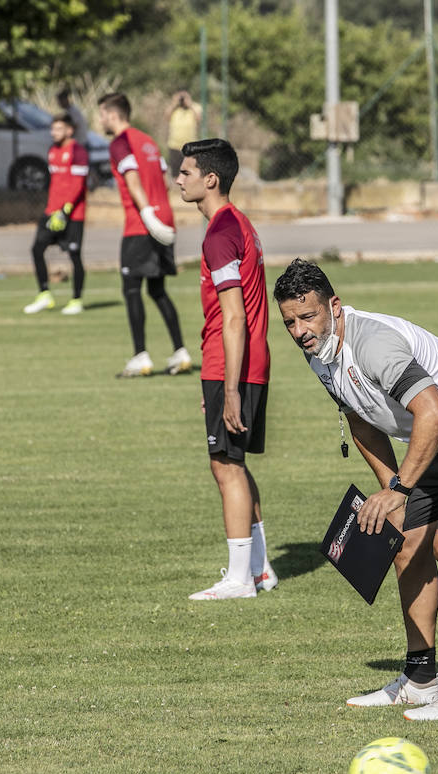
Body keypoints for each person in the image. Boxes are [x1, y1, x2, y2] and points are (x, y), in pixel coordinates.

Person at [275, 259, 438, 721]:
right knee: (406, 547)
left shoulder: (373, 343)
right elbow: (360, 417)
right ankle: (420, 679)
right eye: (290, 323)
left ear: (334, 307)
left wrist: (401, 488)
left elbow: (433, 412)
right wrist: (389, 491)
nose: (300, 330)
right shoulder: (318, 349)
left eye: (308, 316)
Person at [175, 138, 276, 600]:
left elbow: (233, 316)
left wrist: (228, 388)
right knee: (234, 463)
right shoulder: (240, 224)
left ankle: (239, 580)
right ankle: (259, 569)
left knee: (225, 467)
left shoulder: (219, 233)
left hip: (231, 363)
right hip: (240, 365)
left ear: (209, 179)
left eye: (186, 172)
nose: (179, 179)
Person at [98, 92, 190, 376]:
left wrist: (147, 213)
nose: (100, 120)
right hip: (165, 219)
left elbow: (133, 179)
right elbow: (164, 179)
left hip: (142, 224)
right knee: (158, 290)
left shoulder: (120, 143)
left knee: (131, 290)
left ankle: (141, 356)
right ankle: (180, 352)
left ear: (113, 115)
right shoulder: (148, 141)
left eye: (102, 114)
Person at [22, 114, 89, 315]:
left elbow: (78, 185)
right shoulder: (52, 151)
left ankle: (76, 300)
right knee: (36, 249)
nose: (54, 133)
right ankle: (44, 294)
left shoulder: (78, 151)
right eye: (53, 129)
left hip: (72, 214)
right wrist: (53, 210)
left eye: (58, 129)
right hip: (51, 211)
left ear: (70, 130)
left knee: (74, 255)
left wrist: (65, 211)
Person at [164, 90, 202, 175]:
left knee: (190, 172)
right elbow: (166, 116)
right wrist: (174, 104)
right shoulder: (174, 109)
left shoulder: (195, 107)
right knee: (175, 173)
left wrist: (190, 104)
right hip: (174, 145)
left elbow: (199, 119)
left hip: (190, 146)